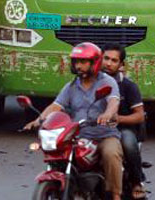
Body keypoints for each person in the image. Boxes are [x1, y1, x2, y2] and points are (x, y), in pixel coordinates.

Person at [24, 42, 123, 200]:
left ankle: (116, 195)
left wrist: (107, 114)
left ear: (94, 63)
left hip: (104, 135)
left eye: (83, 62)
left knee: (110, 153)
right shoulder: (70, 87)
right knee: (60, 154)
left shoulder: (107, 82)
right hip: (79, 135)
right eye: (76, 62)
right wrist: (38, 120)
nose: (79, 66)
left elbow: (113, 102)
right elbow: (56, 106)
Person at [102, 43, 147, 200]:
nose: (108, 63)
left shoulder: (128, 86)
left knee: (128, 143)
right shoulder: (89, 82)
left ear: (121, 64)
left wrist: (118, 118)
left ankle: (137, 181)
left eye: (114, 60)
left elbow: (139, 116)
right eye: (106, 58)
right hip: (96, 129)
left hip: (122, 129)